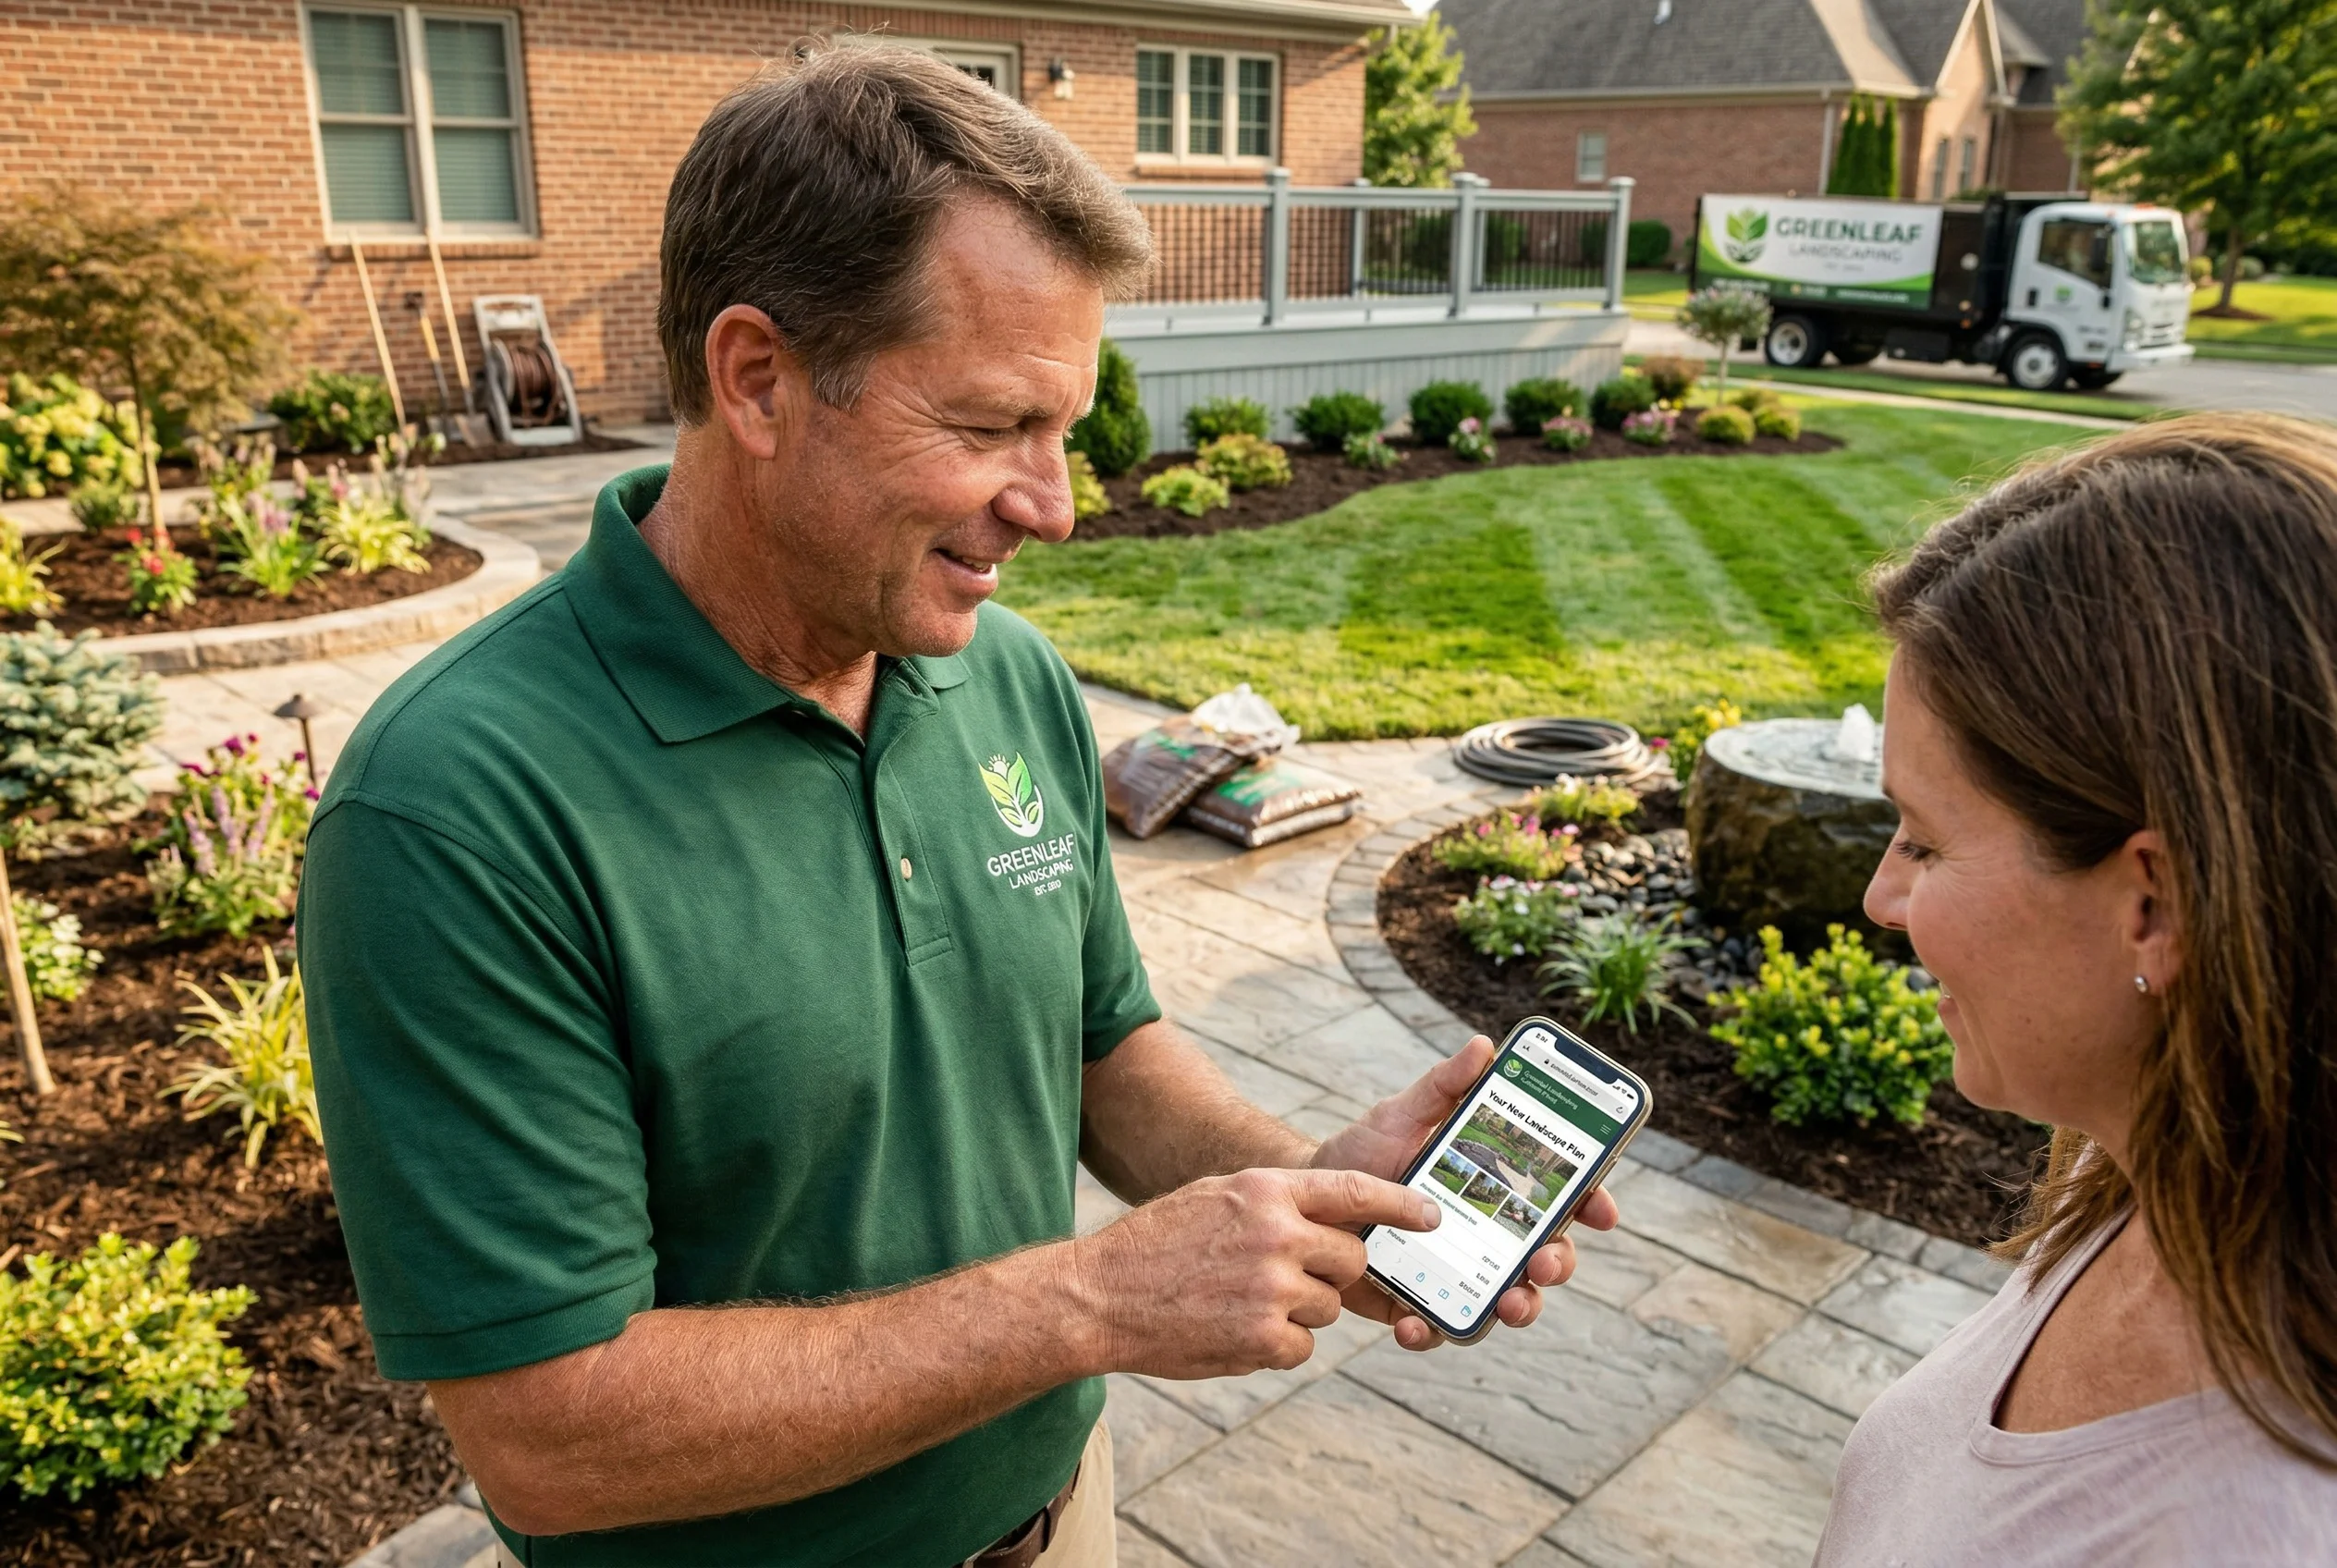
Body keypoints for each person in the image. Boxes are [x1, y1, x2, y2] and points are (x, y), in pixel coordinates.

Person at [298, 46, 1617, 1568]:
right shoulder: (457, 810)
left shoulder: (1006, 680)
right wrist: (1091, 1300)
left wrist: (1320, 1195)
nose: (1052, 504)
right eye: (991, 428)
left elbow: (1092, 1047)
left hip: (1062, 1526)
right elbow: (549, 1436)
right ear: (758, 380)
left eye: (1061, 429)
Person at [1817, 413, 2337, 1563]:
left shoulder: (2253, 1528)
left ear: (2153, 903)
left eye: (1921, 842)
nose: (1878, 899)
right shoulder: (2164, 1174)